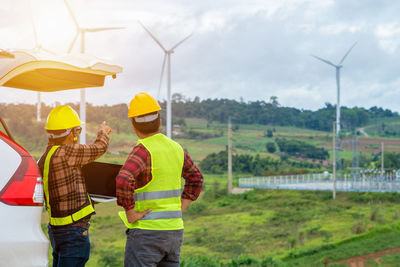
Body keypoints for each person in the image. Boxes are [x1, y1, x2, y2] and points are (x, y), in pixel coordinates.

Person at [116, 92, 204, 267]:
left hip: (147, 234)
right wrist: (179, 208)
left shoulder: (143, 150)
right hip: (174, 233)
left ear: (134, 125)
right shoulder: (176, 148)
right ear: (160, 121)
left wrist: (130, 212)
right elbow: (196, 178)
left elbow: (123, 179)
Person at [38, 105, 112, 267]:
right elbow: (100, 148)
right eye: (77, 130)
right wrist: (103, 133)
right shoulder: (66, 152)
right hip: (73, 231)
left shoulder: (45, 157)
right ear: (72, 132)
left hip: (56, 230)